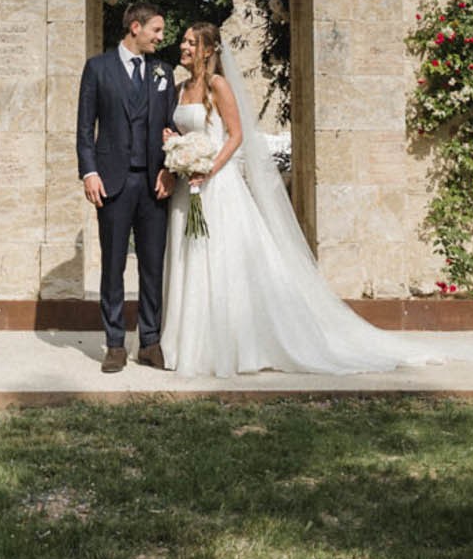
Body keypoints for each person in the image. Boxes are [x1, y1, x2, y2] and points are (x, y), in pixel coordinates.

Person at [161, 22, 410, 376]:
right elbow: (185, 131)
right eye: (183, 41)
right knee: (190, 259)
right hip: (189, 189)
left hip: (217, 186)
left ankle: (232, 347)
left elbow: (235, 135)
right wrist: (174, 143)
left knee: (221, 260)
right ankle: (186, 345)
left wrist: (209, 169)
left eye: (190, 42)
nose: (182, 45)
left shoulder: (218, 85)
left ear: (207, 50)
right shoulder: (180, 88)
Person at [76, 1, 179, 373]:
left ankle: (150, 342)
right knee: (113, 264)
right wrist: (89, 173)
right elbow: (86, 128)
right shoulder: (97, 68)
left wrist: (170, 169)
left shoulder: (162, 71)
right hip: (113, 182)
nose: (160, 37)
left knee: (153, 265)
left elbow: (173, 126)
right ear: (135, 28)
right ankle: (115, 343)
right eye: (156, 29)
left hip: (154, 183)